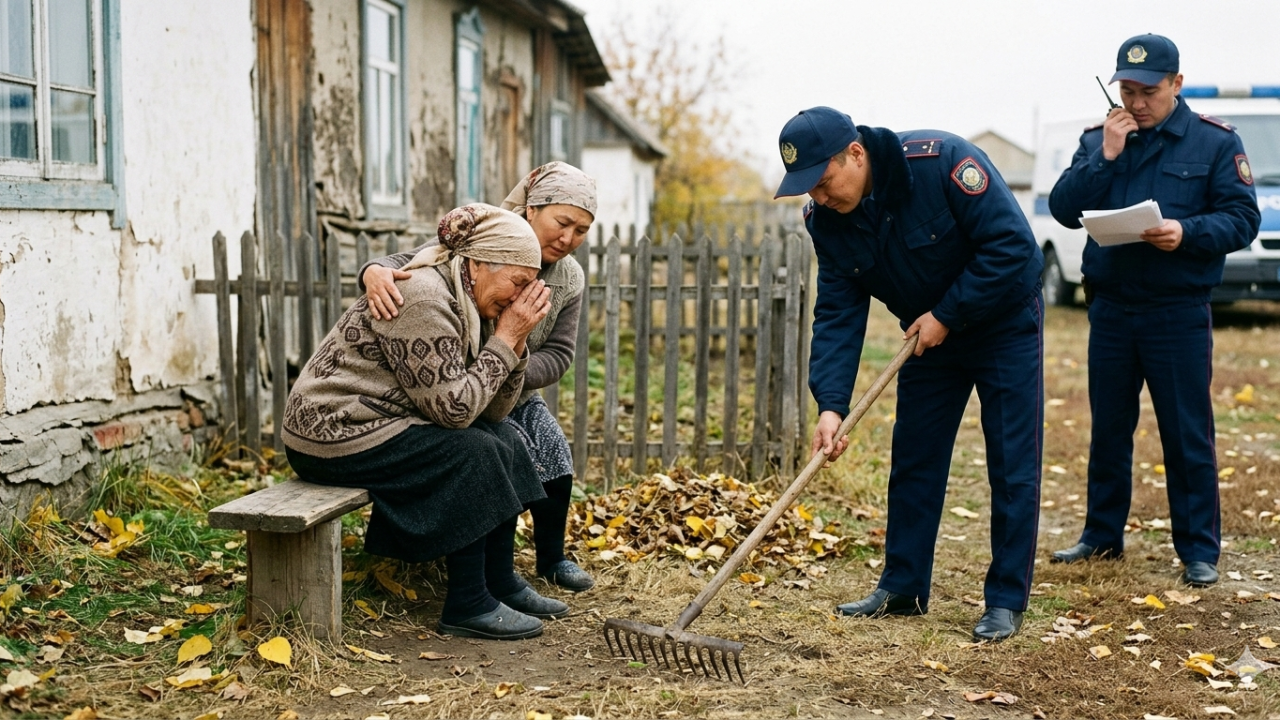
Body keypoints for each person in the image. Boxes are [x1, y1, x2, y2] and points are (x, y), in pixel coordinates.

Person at [773, 107, 1045, 641]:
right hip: (926, 341)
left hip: (1003, 324)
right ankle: (903, 587)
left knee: (1012, 462)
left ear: (855, 153)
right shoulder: (824, 220)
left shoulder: (943, 164)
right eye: (810, 190)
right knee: (915, 458)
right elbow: (837, 313)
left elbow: (1014, 248)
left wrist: (947, 314)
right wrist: (830, 405)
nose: (821, 198)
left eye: (824, 182)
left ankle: (1006, 599)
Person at [283, 203, 570, 640]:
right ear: (476, 264)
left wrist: (516, 341)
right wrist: (507, 338)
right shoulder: (423, 298)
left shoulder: (469, 301)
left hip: (382, 420)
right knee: (475, 450)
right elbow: (454, 413)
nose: (519, 298)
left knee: (506, 437)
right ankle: (467, 604)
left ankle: (499, 581)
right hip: (331, 432)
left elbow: (494, 410)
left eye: (529, 288)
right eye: (517, 283)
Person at [1047, 34, 1261, 587]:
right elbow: (1065, 209)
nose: (1136, 102)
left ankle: (1197, 550)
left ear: (1177, 84)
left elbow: (1242, 219)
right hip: (1113, 310)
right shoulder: (1099, 139)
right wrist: (1106, 158)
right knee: (1109, 429)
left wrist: (1187, 232)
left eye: (1149, 91)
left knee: (1186, 431)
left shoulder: (1214, 143)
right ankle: (1100, 537)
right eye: (1127, 90)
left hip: (1177, 311)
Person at [360, 161, 596, 592]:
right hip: (453, 383)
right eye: (562, 222)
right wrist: (371, 270)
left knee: (554, 455)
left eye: (581, 230)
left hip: (510, 386)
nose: (569, 238)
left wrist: (506, 367)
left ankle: (552, 559)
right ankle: (486, 575)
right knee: (498, 452)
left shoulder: (569, 278)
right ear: (531, 209)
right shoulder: (488, 237)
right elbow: (416, 260)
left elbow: (560, 354)